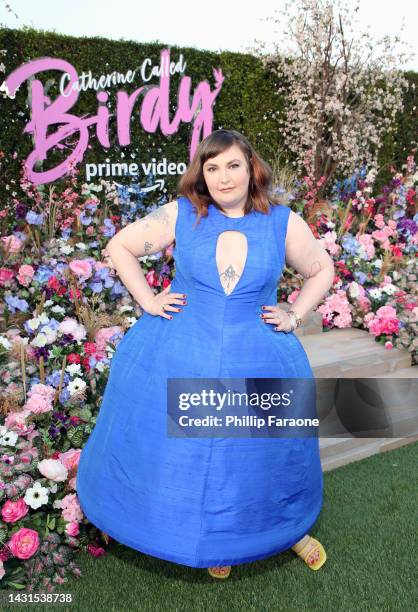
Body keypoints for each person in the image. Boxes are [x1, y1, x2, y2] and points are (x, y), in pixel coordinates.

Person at [76, 129, 335, 579]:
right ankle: (212, 541)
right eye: (212, 168)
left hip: (260, 356)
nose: (222, 177)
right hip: (180, 352)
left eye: (232, 165)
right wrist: (149, 300)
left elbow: (320, 269)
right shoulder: (181, 215)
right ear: (202, 174)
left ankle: (286, 530)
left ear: (251, 168)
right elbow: (119, 246)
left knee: (262, 457)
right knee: (190, 458)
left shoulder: (282, 221)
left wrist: (294, 314)